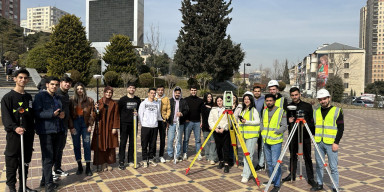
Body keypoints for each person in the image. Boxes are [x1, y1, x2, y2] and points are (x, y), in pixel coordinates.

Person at [2, 69, 37, 192]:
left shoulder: (28, 97)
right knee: (12, 163)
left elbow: (32, 115)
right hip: (14, 136)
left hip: (27, 135)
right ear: (15, 79)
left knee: (25, 162)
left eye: (25, 78)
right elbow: (6, 117)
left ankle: (23, 186)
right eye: (20, 77)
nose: (23, 80)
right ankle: (12, 188)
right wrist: (14, 127)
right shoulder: (7, 97)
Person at [33, 76, 65, 192]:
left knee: (53, 157)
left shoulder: (58, 97)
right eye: (52, 84)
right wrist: (52, 114)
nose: (54, 87)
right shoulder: (40, 96)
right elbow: (37, 113)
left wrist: (62, 115)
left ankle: (44, 180)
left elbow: (60, 112)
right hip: (46, 131)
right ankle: (49, 185)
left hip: (57, 130)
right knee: (48, 158)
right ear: (47, 84)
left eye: (56, 85)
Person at [311, 89, 344, 192]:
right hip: (318, 143)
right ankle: (319, 184)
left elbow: (341, 128)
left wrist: (336, 142)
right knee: (319, 165)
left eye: (324, 99)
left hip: (331, 143)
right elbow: (313, 127)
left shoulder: (337, 111)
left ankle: (335, 186)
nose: (322, 101)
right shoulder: (316, 112)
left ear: (329, 98)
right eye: (320, 99)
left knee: (333, 167)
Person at [282, 87, 316, 186]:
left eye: (296, 95)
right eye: (292, 95)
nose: (294, 97)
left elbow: (311, 121)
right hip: (293, 134)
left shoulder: (307, 106)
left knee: (307, 156)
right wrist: (289, 120)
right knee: (292, 156)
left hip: (305, 135)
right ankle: (292, 174)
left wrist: (308, 129)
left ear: (300, 94)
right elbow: (285, 121)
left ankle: (310, 178)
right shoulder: (288, 107)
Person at [261, 94, 288, 192]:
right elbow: (262, 123)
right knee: (269, 163)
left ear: (274, 101)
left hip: (276, 141)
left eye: (270, 100)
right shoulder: (264, 111)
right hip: (266, 141)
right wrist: (262, 130)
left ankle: (277, 184)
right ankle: (272, 179)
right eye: (267, 100)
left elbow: (284, 126)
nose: (268, 102)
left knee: (275, 163)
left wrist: (276, 132)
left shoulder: (281, 111)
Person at [69, 82, 95, 176]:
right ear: (75, 90)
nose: (80, 90)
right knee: (76, 145)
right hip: (75, 123)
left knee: (86, 144)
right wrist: (71, 127)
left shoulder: (89, 100)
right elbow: (69, 116)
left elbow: (92, 114)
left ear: (84, 90)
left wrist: (90, 125)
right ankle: (79, 165)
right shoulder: (71, 100)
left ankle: (88, 167)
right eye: (78, 89)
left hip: (85, 123)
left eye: (81, 88)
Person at [91, 86, 120, 171]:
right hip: (101, 127)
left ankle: (108, 162)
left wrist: (115, 127)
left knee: (110, 145)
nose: (108, 94)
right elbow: (95, 116)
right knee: (101, 144)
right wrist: (96, 109)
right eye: (107, 92)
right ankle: (102, 163)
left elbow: (116, 116)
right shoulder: (99, 102)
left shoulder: (114, 103)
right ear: (104, 93)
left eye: (110, 93)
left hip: (110, 127)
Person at [118, 83, 141, 170]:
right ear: (127, 89)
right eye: (130, 87)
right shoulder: (122, 100)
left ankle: (130, 159)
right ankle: (121, 161)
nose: (132, 89)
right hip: (124, 124)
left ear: (135, 89)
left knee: (132, 142)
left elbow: (140, 110)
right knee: (123, 142)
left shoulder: (138, 100)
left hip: (134, 124)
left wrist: (137, 113)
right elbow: (119, 111)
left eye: (133, 88)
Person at [238, 93, 260, 183]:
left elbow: (258, 121)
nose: (246, 100)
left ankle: (246, 175)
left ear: (251, 100)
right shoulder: (244, 110)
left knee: (248, 155)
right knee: (245, 155)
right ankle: (246, 172)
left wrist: (246, 121)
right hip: (244, 135)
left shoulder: (253, 110)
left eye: (248, 99)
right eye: (245, 99)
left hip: (251, 136)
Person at [53, 76, 72, 178]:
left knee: (60, 148)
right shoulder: (56, 94)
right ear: (60, 83)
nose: (67, 84)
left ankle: (57, 168)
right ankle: (51, 171)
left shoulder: (66, 94)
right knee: (54, 149)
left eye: (69, 83)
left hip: (63, 126)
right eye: (65, 82)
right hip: (56, 127)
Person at [138, 88, 161, 167]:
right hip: (145, 126)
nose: (153, 94)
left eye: (154, 93)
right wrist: (143, 123)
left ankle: (150, 158)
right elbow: (140, 114)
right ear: (148, 93)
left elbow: (158, 114)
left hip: (154, 126)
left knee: (152, 144)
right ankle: (144, 159)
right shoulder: (143, 103)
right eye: (151, 93)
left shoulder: (157, 104)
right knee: (144, 143)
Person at [208, 96, 230, 173]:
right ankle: (221, 161)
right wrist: (215, 128)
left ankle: (226, 164)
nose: (219, 102)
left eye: (221, 100)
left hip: (225, 131)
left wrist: (223, 128)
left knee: (226, 148)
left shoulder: (226, 109)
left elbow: (229, 120)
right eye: (218, 101)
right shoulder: (213, 110)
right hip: (216, 131)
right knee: (218, 147)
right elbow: (210, 120)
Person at [167, 86, 189, 162]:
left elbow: (187, 110)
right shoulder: (170, 101)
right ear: (174, 93)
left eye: (179, 93)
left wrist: (182, 113)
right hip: (171, 124)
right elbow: (167, 111)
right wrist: (167, 121)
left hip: (180, 124)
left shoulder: (183, 101)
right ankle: (170, 154)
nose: (177, 94)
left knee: (179, 140)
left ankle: (177, 155)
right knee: (170, 139)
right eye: (176, 93)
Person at [183, 86, 204, 160]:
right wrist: (185, 119)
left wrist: (202, 122)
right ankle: (185, 153)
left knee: (198, 139)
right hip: (188, 122)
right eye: (192, 90)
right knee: (186, 139)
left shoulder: (200, 101)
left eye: (195, 90)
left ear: (196, 91)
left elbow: (202, 113)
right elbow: (183, 110)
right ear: (190, 91)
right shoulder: (186, 100)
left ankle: (198, 153)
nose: (193, 91)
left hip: (197, 122)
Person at [155, 85, 171, 163]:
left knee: (162, 139)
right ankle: (153, 155)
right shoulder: (153, 98)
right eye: (159, 90)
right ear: (157, 91)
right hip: (154, 121)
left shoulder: (166, 99)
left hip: (163, 121)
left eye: (162, 90)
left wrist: (166, 117)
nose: (160, 91)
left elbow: (168, 109)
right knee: (153, 139)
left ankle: (161, 155)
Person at [201, 92, 216, 164]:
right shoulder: (203, 106)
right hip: (205, 126)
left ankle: (212, 157)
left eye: (210, 97)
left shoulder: (214, 106)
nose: (209, 98)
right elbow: (203, 116)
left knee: (213, 142)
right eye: (208, 97)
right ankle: (207, 156)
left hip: (212, 126)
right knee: (207, 142)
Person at [253, 86, 266, 171]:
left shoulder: (264, 99)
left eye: (258, 91)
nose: (257, 92)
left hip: (261, 125)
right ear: (253, 92)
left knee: (261, 145)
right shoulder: (250, 99)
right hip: (252, 126)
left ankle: (261, 163)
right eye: (255, 91)